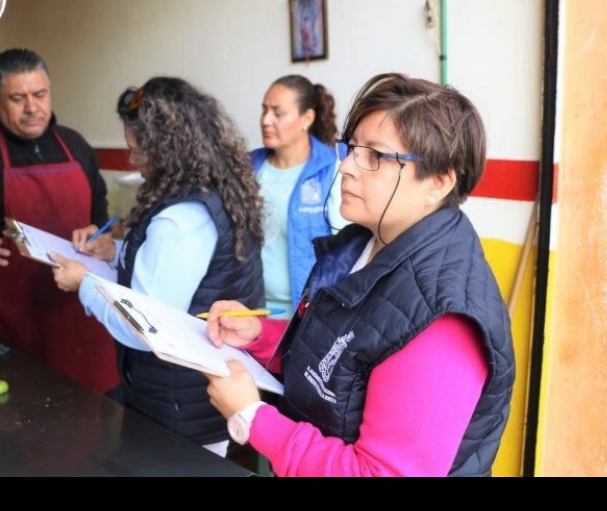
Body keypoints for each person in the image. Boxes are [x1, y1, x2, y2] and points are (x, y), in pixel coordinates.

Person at [205, 73, 515, 477]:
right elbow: (340, 351)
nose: (347, 166)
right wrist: (260, 337)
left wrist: (252, 417)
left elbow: (381, 473)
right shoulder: (363, 241)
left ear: (438, 183)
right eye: (352, 149)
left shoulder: (443, 319)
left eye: (376, 156)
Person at [51, 77, 264, 456]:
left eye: (136, 151)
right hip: (201, 392)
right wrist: (113, 251)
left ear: (166, 149)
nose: (132, 161)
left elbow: (143, 326)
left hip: (182, 401)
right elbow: (178, 269)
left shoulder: (181, 218)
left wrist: (84, 282)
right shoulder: (215, 189)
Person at [0, 48, 119, 395]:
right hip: (14, 321)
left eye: (40, 94)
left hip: (84, 316)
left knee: (100, 416)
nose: (32, 107)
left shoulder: (75, 145)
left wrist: (102, 239)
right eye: (18, 98)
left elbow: (101, 220)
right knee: (23, 413)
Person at [252, 75, 343, 319]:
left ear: (307, 118)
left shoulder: (331, 170)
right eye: (264, 110)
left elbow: (346, 254)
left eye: (278, 113)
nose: (266, 120)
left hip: (305, 316)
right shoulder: (247, 166)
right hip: (249, 311)